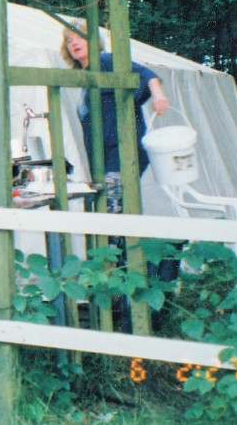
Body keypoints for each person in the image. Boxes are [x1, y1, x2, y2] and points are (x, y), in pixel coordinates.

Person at [61, 23, 172, 330]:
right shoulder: (88, 76)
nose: (74, 43)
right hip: (107, 159)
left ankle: (125, 299)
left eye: (79, 37)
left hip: (122, 154)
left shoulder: (106, 61)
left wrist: (159, 96)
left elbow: (146, 74)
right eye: (69, 40)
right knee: (112, 222)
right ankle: (121, 295)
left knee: (113, 222)